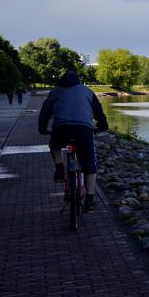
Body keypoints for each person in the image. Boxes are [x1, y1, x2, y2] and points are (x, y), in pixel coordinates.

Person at [38, 70, 108, 212]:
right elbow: (98, 110)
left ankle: (59, 167)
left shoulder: (55, 91)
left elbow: (45, 111)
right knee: (89, 166)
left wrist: (43, 129)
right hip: (83, 130)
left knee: (54, 145)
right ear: (78, 80)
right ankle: (90, 199)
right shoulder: (86, 90)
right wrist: (102, 126)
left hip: (61, 129)